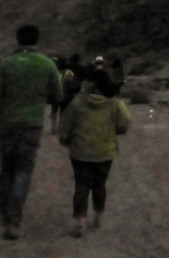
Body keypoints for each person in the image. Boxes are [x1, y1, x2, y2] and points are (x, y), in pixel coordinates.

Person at [0, 24, 62, 240]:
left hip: (8, 123)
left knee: (7, 169)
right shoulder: (46, 63)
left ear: (17, 39)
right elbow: (57, 95)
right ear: (37, 40)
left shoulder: (5, 64)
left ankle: (4, 214)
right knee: (23, 171)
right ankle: (14, 220)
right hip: (32, 124)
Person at [57, 68, 131, 238]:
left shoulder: (77, 102)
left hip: (80, 152)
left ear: (93, 84)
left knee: (81, 185)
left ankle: (80, 222)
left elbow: (65, 126)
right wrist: (115, 131)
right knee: (99, 185)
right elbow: (124, 122)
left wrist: (65, 140)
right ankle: (98, 215)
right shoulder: (114, 102)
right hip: (104, 152)